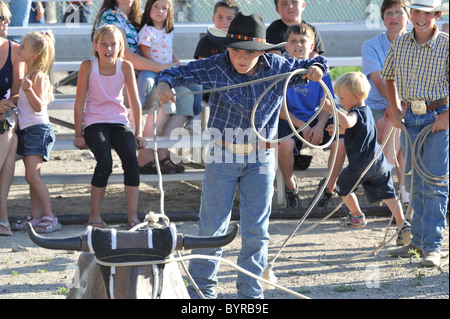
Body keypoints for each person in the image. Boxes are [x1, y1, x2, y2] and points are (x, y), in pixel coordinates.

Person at [154, 12, 327, 299]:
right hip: (223, 153)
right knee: (211, 226)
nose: (242, 58)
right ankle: (201, 293)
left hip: (261, 157)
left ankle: (250, 294)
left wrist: (316, 69)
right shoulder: (216, 65)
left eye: (249, 52)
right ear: (227, 49)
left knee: (257, 229)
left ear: (261, 52)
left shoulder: (279, 66)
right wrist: (164, 84)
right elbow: (175, 72)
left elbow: (315, 63)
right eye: (235, 51)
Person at [382, 0, 449, 267]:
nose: (421, 18)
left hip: (437, 116)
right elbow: (389, 76)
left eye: (427, 13)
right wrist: (395, 108)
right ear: (412, 15)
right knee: (415, 182)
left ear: (437, 15)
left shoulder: (446, 45)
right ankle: (418, 242)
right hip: (411, 117)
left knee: (434, 180)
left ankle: (432, 245)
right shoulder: (399, 44)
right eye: (417, 12)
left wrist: (447, 115)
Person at [322, 72, 411, 246]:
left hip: (361, 164)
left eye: (342, 98)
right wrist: (338, 130)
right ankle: (403, 224)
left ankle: (356, 215)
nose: (340, 101)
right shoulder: (367, 110)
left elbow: (348, 123)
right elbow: (357, 130)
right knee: (389, 195)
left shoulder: (354, 113)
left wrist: (331, 107)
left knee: (342, 188)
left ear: (355, 97)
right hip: (378, 162)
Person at [74, 25, 146, 229]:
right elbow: (79, 102)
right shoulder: (87, 66)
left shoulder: (125, 67)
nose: (108, 48)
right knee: (104, 161)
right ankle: (94, 216)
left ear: (120, 46)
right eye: (104, 44)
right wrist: (78, 133)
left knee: (131, 160)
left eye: (113, 44)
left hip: (118, 122)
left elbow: (134, 101)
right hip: (95, 123)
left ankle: (132, 216)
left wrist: (138, 132)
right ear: (96, 46)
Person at [278, 23, 345, 209]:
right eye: (293, 41)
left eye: (303, 41)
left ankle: (329, 188)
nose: (298, 45)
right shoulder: (281, 69)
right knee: (285, 144)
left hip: (316, 116)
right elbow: (280, 110)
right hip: (290, 119)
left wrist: (319, 125)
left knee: (340, 144)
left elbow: (327, 103)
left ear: (312, 47)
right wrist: (304, 127)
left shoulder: (320, 69)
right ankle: (290, 186)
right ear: (286, 46)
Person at [136, 0, 195, 175]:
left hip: (167, 72)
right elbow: (146, 55)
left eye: (164, 8)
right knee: (161, 100)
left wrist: (174, 61)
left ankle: (162, 153)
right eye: (156, 6)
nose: (160, 11)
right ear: (148, 9)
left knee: (188, 93)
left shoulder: (168, 31)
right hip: (154, 72)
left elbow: (168, 49)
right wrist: (163, 68)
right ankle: (146, 153)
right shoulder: (147, 30)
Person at [362, 0, 411, 207]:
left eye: (398, 12)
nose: (393, 17)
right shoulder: (371, 46)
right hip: (377, 111)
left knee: (399, 124)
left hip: (409, 108)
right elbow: (380, 83)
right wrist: (396, 105)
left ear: (408, 18)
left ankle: (385, 175)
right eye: (389, 13)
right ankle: (405, 194)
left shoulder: (417, 45)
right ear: (383, 18)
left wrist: (400, 106)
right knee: (397, 121)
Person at [11, 30, 61, 233]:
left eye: (23, 46)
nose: (19, 48)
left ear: (34, 55)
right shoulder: (28, 75)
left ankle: (50, 216)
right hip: (28, 130)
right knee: (31, 177)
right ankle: (36, 216)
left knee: (33, 176)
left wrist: (29, 90)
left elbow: (39, 106)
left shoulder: (38, 77)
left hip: (37, 131)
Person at [0, 1, 24, 236]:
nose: (7, 22)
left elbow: (16, 92)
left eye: (7, 17)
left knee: (9, 127)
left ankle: (2, 216)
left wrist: (6, 105)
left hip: (5, 113)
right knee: (12, 142)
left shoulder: (15, 49)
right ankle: (2, 216)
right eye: (1, 18)